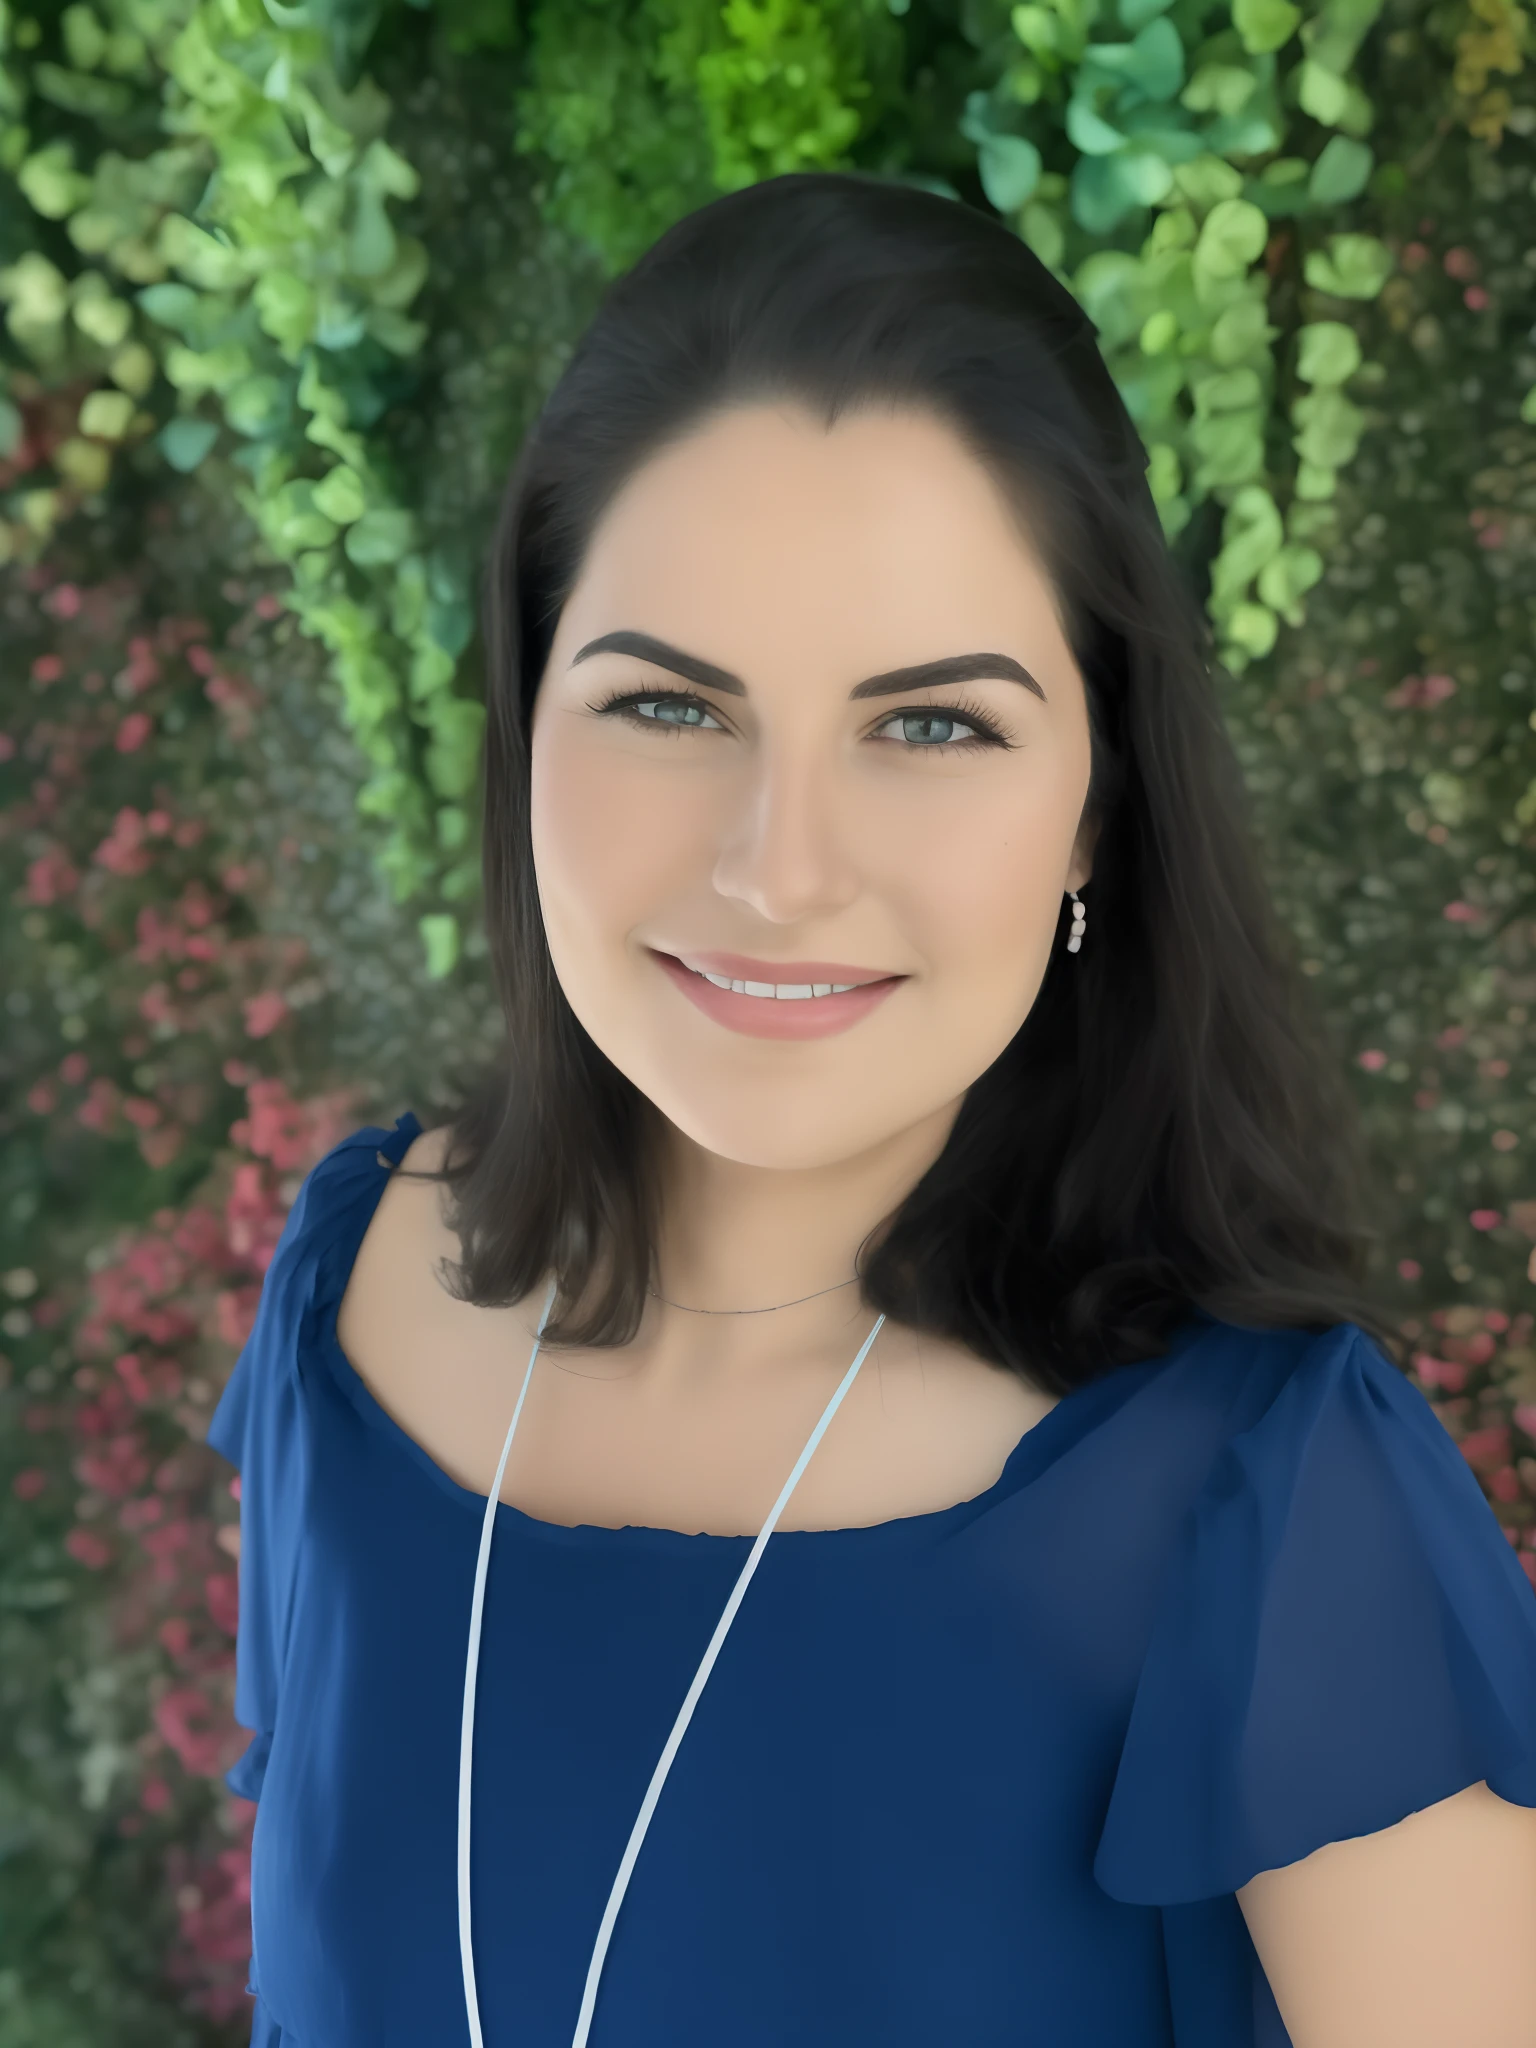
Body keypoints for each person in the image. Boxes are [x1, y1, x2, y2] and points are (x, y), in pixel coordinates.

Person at [207, 170, 1536, 2048]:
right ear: (522, 727)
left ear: (1096, 806)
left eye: (930, 725)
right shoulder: (352, 1297)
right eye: (668, 705)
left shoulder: (1272, 1505)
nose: (781, 871)